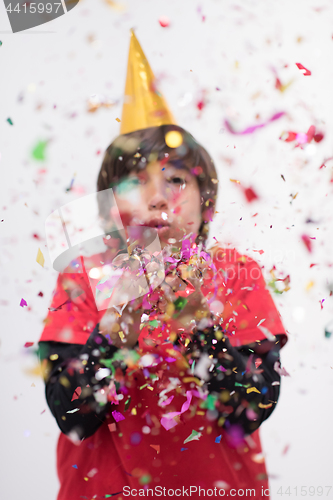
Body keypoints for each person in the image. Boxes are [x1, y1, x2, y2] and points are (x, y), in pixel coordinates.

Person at [38, 32, 288, 500]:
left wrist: (202, 331)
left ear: (205, 203)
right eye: (135, 180)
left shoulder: (236, 273)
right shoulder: (82, 278)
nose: (155, 197)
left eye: (175, 179)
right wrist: (121, 322)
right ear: (110, 208)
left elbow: (250, 411)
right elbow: (72, 417)